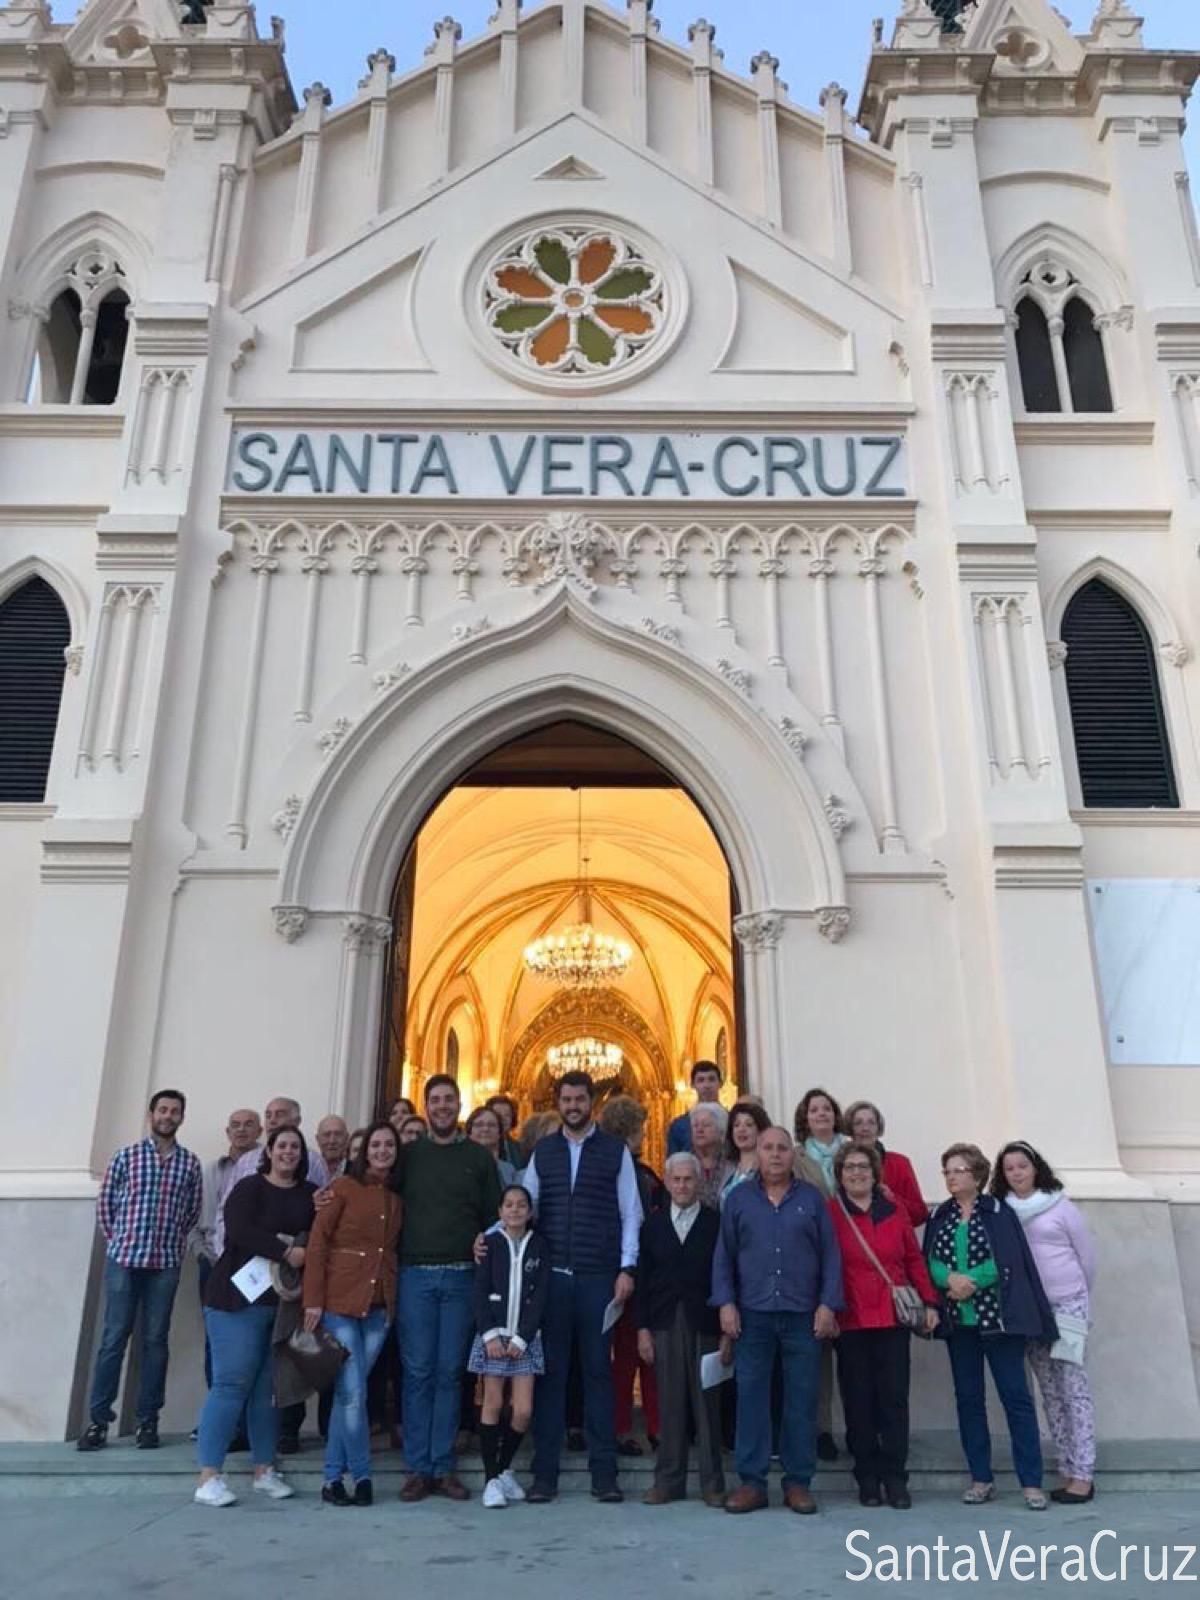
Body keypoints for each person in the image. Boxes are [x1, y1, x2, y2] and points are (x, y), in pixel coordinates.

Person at [521, 1071, 643, 1504]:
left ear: (591, 1101)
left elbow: (631, 1212)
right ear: (559, 1103)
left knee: (598, 1374)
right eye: (566, 1099)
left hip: (598, 1277)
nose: (573, 1105)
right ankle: (544, 1476)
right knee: (551, 1375)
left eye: (579, 1098)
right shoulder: (544, 1152)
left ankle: (604, 1474)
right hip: (553, 1278)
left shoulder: (614, 1152)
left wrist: (627, 1267)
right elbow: (525, 1207)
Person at [713, 1126, 842, 1515]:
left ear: (792, 1155)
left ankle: (798, 1483)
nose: (774, 1155)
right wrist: (725, 1304)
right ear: (758, 1152)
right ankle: (751, 1483)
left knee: (800, 1399)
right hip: (752, 1314)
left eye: (781, 1148)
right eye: (767, 1148)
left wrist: (828, 1305)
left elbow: (831, 1256)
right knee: (751, 1398)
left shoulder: (812, 1200)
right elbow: (724, 1256)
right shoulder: (739, 1200)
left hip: (803, 1314)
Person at [925, 1142, 1057, 1510]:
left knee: (1016, 1398)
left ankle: (1030, 1482)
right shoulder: (941, 1215)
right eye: (947, 1171)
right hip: (959, 1323)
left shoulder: (998, 1211)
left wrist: (973, 1280)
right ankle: (980, 1478)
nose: (951, 1177)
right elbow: (929, 1259)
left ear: (977, 1175)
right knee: (969, 1401)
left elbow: (1009, 1257)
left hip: (998, 1320)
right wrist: (949, 1278)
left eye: (958, 1170)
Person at [193, 1124, 316, 1506]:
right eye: (282, 1145)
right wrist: (286, 1252)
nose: (288, 1152)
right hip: (235, 1299)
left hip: (279, 1305)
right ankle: (208, 1477)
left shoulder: (311, 1195)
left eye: (295, 1147)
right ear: (270, 1150)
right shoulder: (248, 1188)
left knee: (267, 1391)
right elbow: (239, 1232)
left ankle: (264, 1469)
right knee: (231, 1384)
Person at [395, 1074, 502, 1503]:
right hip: (415, 1275)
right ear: (425, 1105)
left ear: (459, 1105)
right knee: (417, 1372)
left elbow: (495, 1216)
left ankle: (443, 1466)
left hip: (460, 1277)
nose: (441, 1106)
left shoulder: (478, 1158)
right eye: (434, 1100)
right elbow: (382, 1199)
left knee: (449, 1373)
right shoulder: (409, 1156)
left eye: (448, 1100)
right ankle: (418, 1468)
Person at [76, 1090, 202, 1453]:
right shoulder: (126, 1157)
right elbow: (106, 1206)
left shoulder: (189, 1164)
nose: (168, 1116)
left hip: (164, 1263)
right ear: (151, 1115)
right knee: (113, 1341)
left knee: (155, 1343)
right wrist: (120, 1242)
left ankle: (149, 1420)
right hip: (125, 1261)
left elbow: (192, 1212)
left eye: (175, 1111)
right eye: (162, 1110)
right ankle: (98, 1421)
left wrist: (173, 1245)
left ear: (181, 1118)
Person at [828, 1143, 939, 1510]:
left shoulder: (895, 1212)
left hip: (892, 1318)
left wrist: (929, 1302)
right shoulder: (831, 1212)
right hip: (852, 1319)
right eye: (849, 1168)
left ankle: (895, 1476)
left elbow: (912, 1258)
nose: (856, 1173)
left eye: (863, 1167)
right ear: (839, 1175)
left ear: (875, 1174)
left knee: (893, 1400)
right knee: (858, 1401)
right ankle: (867, 1476)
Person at [303, 1120, 403, 1507]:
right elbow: (317, 1243)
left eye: (388, 1145)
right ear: (364, 1151)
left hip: (379, 1309)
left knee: (352, 1393)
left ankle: (333, 1480)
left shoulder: (396, 1199)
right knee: (354, 1395)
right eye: (375, 1145)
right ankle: (359, 1477)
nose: (381, 1151)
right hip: (340, 1305)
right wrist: (313, 1300)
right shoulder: (342, 1188)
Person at [992, 1140, 1097, 1504]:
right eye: (1010, 1168)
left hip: (1067, 1305)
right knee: (1049, 1392)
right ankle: (1066, 1467)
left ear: (1036, 1168)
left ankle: (1084, 1473)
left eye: (1023, 1165)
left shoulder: (1060, 1206)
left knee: (1073, 1387)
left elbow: (1086, 1258)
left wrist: (1079, 1300)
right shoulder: (1003, 1211)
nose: (1017, 1173)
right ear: (1002, 1175)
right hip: (1031, 1312)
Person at [635, 1153, 730, 1507]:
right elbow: (643, 1282)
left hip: (705, 1321)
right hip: (663, 1322)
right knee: (670, 1403)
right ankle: (668, 1482)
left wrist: (725, 1327)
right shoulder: (653, 1226)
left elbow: (724, 1275)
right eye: (676, 1180)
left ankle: (712, 1484)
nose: (682, 1186)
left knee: (707, 1406)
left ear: (699, 1183)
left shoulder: (716, 1223)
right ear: (667, 1181)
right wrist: (642, 1329)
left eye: (689, 1179)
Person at [471, 1184, 550, 1509]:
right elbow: (479, 1291)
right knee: (491, 1403)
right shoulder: (490, 1244)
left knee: (523, 1409)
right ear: (500, 1212)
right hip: (494, 1338)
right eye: (509, 1205)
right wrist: (489, 1334)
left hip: (524, 1341)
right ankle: (491, 1480)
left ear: (530, 1212)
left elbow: (541, 1295)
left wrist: (523, 1337)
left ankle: (503, 1468)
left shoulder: (540, 1246)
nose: (515, 1210)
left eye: (521, 1205)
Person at [599, 1095, 662, 1456]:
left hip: (630, 1272)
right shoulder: (628, 1173)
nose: (643, 1135)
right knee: (627, 1356)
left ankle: (641, 1425)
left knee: (634, 1353)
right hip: (627, 1272)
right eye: (640, 1128)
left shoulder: (642, 1173)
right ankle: (628, 1427)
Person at [190, 1108, 263, 1392]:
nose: (241, 1130)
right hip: (213, 1264)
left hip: (254, 1266)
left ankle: (244, 1421)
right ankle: (217, 1406)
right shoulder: (210, 1170)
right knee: (216, 1340)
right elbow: (194, 1217)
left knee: (251, 1339)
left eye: (248, 1125)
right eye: (235, 1125)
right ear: (227, 1131)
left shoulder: (267, 1168)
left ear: (260, 1131)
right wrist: (201, 1254)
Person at [792, 1087, 846, 1461]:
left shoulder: (856, 1152)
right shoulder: (796, 1158)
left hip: (857, 1255)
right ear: (805, 1118)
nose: (821, 1114)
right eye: (814, 1110)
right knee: (819, 1352)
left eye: (827, 1108)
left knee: (859, 1353)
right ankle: (822, 1428)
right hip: (815, 1259)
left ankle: (863, 1428)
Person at [842, 1100, 929, 1229]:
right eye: (858, 1123)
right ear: (850, 1129)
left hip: (893, 1241)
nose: (865, 1128)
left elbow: (920, 1214)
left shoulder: (900, 1164)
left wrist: (892, 1198)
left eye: (871, 1122)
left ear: (878, 1128)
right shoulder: (841, 1165)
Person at [666, 1060, 723, 1155]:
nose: (706, 1085)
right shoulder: (680, 1125)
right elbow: (673, 1162)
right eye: (701, 1080)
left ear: (720, 1083)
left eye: (711, 1079)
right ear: (692, 1084)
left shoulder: (732, 1121)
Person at [720, 1099, 770, 1206]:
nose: (741, 1129)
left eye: (749, 1125)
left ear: (761, 1130)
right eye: (736, 1125)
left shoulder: (768, 1170)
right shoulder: (727, 1169)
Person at [690, 1103, 733, 1210]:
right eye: (695, 1125)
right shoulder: (684, 1165)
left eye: (706, 1125)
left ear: (721, 1132)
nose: (699, 1130)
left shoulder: (734, 1166)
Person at [466, 1104, 517, 1187]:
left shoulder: (509, 1170)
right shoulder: (458, 1165)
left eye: (491, 1125)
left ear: (499, 1134)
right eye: (479, 1125)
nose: (485, 1129)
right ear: (469, 1132)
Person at [486, 1094, 524, 1169]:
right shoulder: (477, 1145)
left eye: (507, 1115)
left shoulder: (520, 1149)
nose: (502, 1119)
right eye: (498, 1114)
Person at [315, 1116, 351, 1181]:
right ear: (317, 1139)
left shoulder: (359, 1173)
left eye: (338, 1134)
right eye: (326, 1135)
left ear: (347, 1138)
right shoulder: (307, 1172)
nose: (332, 1141)